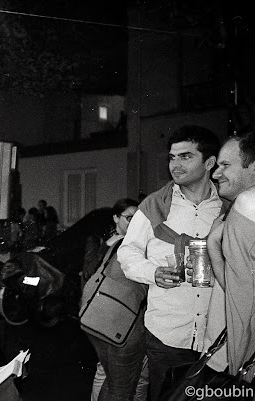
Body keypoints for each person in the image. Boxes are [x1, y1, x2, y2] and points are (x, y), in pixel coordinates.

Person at [117, 125, 224, 401]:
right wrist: (154, 273)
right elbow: (127, 254)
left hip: (217, 336)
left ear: (209, 163)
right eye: (172, 157)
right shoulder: (154, 206)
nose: (174, 165)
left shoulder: (228, 208)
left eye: (185, 157)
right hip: (168, 336)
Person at [82, 198, 149, 401]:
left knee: (115, 376)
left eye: (137, 218)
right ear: (115, 218)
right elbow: (89, 272)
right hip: (111, 319)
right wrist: (109, 247)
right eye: (129, 217)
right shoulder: (106, 242)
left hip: (117, 318)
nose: (133, 222)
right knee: (113, 378)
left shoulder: (137, 244)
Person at [206, 131, 255, 380]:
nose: (215, 174)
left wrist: (213, 244)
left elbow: (241, 294)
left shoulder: (246, 205)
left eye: (225, 165)